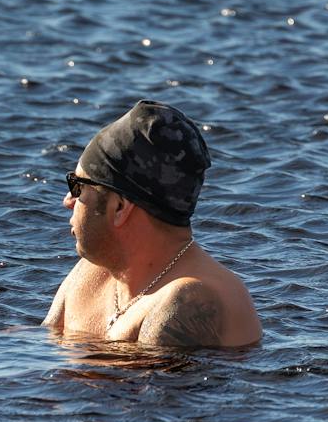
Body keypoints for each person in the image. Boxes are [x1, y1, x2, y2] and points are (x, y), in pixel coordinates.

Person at [43, 101, 260, 349]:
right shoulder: (90, 272)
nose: (68, 200)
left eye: (78, 186)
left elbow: (141, 386)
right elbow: (37, 348)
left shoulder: (186, 301)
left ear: (120, 208)